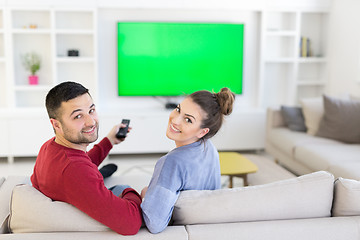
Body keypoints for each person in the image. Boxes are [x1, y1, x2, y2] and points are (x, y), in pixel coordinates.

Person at [30, 81, 142, 235]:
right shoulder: (75, 171)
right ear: (56, 124)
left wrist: (109, 141)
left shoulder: (49, 146)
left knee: (94, 170)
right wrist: (131, 192)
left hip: (73, 186)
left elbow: (81, 161)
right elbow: (131, 224)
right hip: (80, 187)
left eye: (91, 110)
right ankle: (104, 177)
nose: (90, 121)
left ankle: (100, 173)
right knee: (122, 187)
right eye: (78, 116)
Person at [141, 87, 235, 234]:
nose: (175, 120)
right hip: (206, 227)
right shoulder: (209, 148)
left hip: (182, 227)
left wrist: (145, 194)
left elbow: (154, 223)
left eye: (188, 120)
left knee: (122, 189)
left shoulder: (172, 162)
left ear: (203, 132)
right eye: (178, 110)